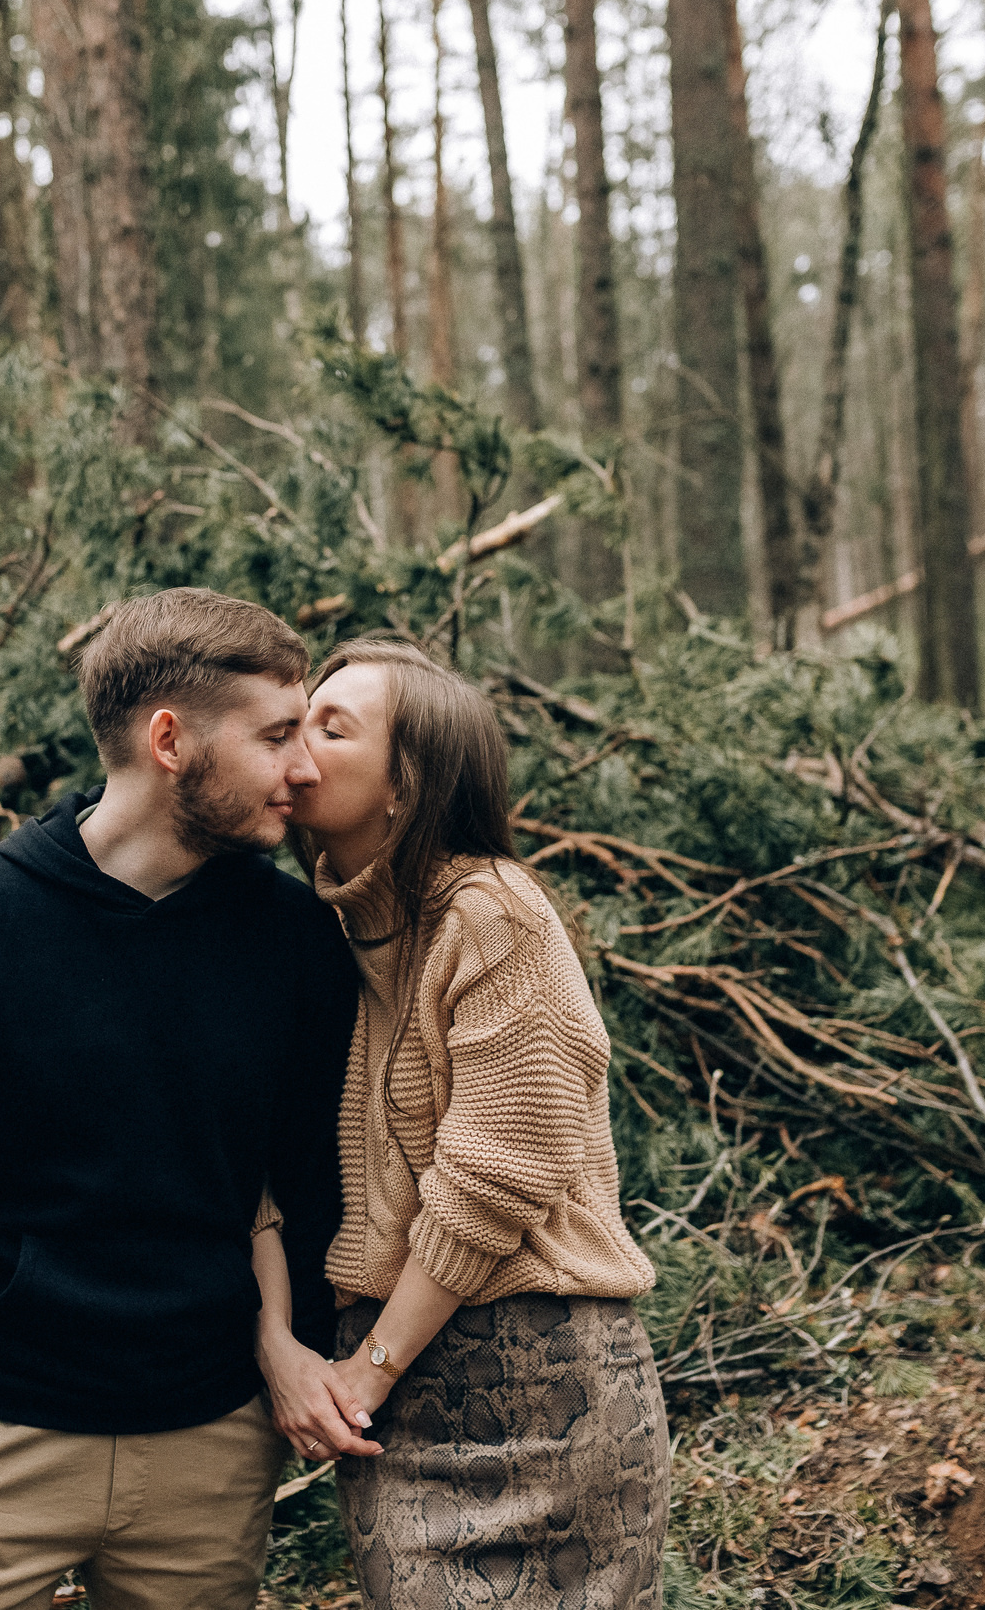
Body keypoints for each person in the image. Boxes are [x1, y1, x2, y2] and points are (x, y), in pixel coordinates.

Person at [0, 588, 359, 1610]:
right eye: (276, 734)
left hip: (208, 1451)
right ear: (170, 740)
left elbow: (311, 1179)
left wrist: (282, 1370)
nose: (305, 766)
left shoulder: (295, 940)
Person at [251, 637, 668, 1609]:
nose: (293, 747)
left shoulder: (492, 914)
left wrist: (367, 1371)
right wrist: (289, 1347)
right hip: (395, 1407)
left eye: (329, 728)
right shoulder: (314, 935)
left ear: (406, 784)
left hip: (543, 1380)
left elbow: (497, 1172)